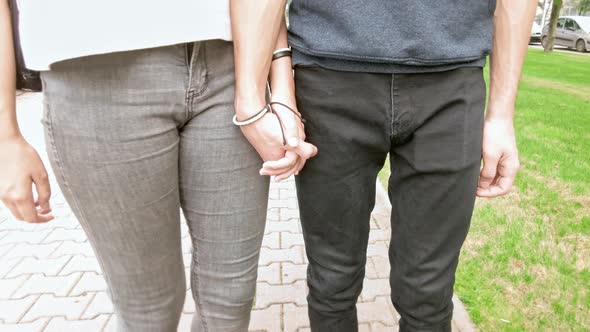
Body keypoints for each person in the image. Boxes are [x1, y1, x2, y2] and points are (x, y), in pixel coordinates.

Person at [0, 1, 315, 331]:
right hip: (93, 71)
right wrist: (5, 136)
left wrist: (277, 91)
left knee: (231, 299)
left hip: (233, 64)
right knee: (148, 308)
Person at [252, 0, 537, 331]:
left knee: (428, 292)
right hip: (328, 73)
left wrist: (501, 114)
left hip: (451, 81)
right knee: (332, 280)